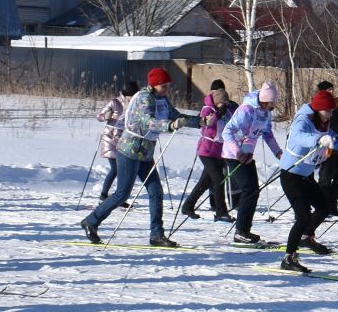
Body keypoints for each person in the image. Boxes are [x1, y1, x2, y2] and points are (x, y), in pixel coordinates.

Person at [80, 68, 194, 249]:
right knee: (122, 194)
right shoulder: (143, 98)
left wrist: (201, 122)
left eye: (167, 86)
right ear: (154, 84)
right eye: (163, 86)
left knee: (156, 192)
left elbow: (177, 116)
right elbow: (147, 122)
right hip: (129, 151)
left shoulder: (161, 99)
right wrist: (170, 125)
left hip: (146, 153)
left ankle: (157, 235)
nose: (166, 89)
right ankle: (91, 221)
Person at [275, 88, 338, 272]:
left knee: (324, 207)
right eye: (328, 111)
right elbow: (300, 137)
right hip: (291, 174)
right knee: (303, 216)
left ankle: (306, 237)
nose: (330, 114)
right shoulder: (304, 121)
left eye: (332, 111)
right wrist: (319, 139)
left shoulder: (323, 124)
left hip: (305, 175)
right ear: (318, 110)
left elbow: (336, 140)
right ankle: (288, 258)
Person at [219, 82, 281, 245]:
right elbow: (227, 131)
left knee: (253, 191)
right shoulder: (246, 110)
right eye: (273, 101)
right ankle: (240, 231)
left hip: (247, 155)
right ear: (266, 100)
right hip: (234, 155)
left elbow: (268, 134)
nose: (274, 105)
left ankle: (244, 230)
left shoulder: (265, 113)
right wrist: (238, 152)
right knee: (249, 189)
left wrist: (278, 153)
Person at [180, 79, 237, 221]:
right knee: (219, 179)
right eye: (221, 103)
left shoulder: (227, 111)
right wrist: (218, 113)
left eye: (225, 103)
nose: (223, 105)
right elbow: (208, 124)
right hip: (207, 151)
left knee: (205, 182)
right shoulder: (207, 109)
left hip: (220, 152)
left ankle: (188, 206)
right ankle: (220, 212)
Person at [93, 80, 137, 203]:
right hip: (111, 139)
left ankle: (119, 196)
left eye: (133, 95)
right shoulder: (115, 102)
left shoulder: (136, 104)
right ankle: (104, 195)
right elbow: (99, 116)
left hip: (125, 140)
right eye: (129, 95)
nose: (131, 97)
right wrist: (106, 116)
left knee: (123, 169)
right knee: (116, 169)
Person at [313, 81, 338, 219]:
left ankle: (332, 205)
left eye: (332, 89)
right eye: (328, 90)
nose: (331, 92)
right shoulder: (320, 106)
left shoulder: (336, 104)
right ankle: (321, 207)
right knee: (325, 179)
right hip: (328, 149)